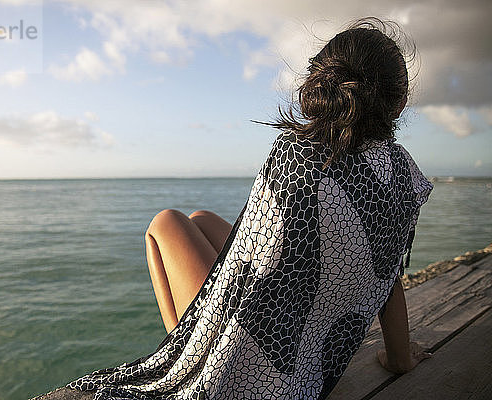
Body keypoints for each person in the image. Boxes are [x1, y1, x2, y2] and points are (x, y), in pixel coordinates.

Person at [62, 17, 434, 400]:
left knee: (166, 222)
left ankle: (187, 359)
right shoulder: (407, 177)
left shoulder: (300, 154)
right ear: (399, 102)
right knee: (201, 219)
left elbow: (252, 262)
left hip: (252, 370)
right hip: (310, 374)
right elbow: (388, 275)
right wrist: (399, 357)